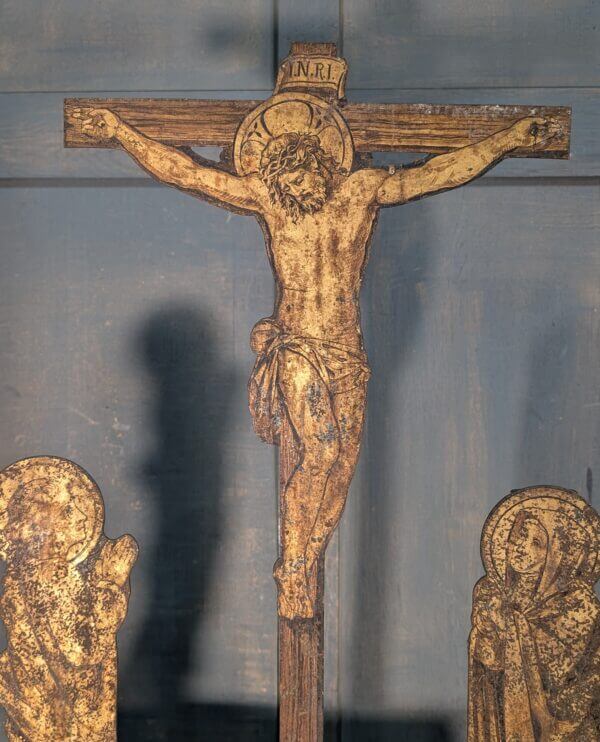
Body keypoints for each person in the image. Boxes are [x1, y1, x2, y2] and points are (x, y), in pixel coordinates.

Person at [73, 104, 559, 618]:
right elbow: (189, 173)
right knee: (322, 453)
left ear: (322, 163)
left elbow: (434, 173)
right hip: (299, 348)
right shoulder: (268, 200)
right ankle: (294, 563)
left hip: (348, 353)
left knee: (342, 467)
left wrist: (504, 141)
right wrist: (122, 132)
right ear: (276, 173)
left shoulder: (359, 192)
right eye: (289, 174)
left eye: (306, 170)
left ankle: (307, 553)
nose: (301, 183)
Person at [0, 457, 137, 741]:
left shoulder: (19, 576)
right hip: (64, 723)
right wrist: (110, 580)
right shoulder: (53, 574)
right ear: (45, 524)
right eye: (68, 510)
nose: (83, 517)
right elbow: (83, 651)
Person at [468, 487, 600, 741]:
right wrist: (489, 637)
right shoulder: (493, 598)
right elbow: (487, 685)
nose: (520, 546)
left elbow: (586, 690)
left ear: (557, 554)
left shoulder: (580, 610)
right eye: (518, 535)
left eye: (536, 542)